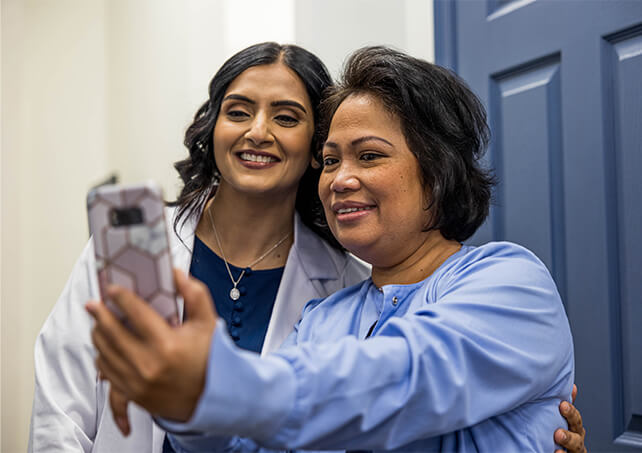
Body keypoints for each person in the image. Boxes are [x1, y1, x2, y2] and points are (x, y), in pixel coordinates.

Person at [87, 46, 585, 452]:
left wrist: (213, 384)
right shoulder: (324, 319)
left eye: (369, 156)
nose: (340, 180)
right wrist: (186, 409)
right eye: (329, 161)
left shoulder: (511, 282)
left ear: (437, 175)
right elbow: (245, 445)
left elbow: (403, 378)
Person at [29, 42, 370, 453]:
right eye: (238, 112)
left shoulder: (346, 285)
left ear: (318, 147)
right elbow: (59, 412)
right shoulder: (124, 252)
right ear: (213, 127)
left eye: (285, 117)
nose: (257, 132)